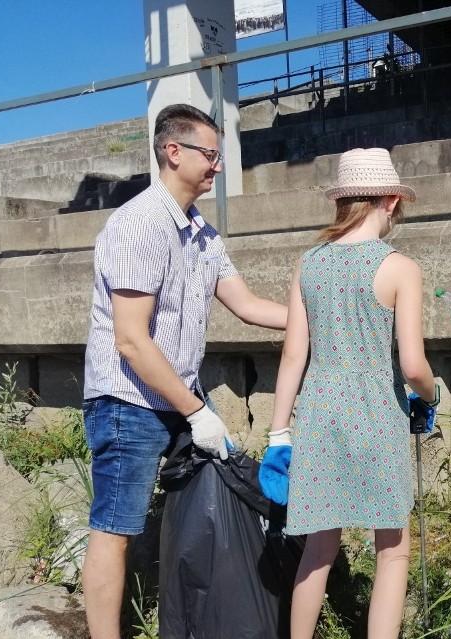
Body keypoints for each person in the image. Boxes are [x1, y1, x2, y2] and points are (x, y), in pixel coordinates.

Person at [81, 103, 288, 639]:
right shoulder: (138, 225)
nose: (218, 165)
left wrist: (317, 320)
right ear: (174, 152)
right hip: (128, 402)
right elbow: (130, 339)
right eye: (210, 154)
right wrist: (198, 412)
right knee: (116, 527)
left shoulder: (203, 233)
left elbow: (246, 305)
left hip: (181, 397)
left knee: (212, 501)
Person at [268, 147, 438, 639]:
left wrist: (280, 432)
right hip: (377, 416)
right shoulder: (400, 267)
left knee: (318, 549)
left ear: (343, 202)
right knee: (393, 548)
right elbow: (412, 365)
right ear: (389, 201)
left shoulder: (309, 263)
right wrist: (429, 397)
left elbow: (293, 356)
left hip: (319, 417)